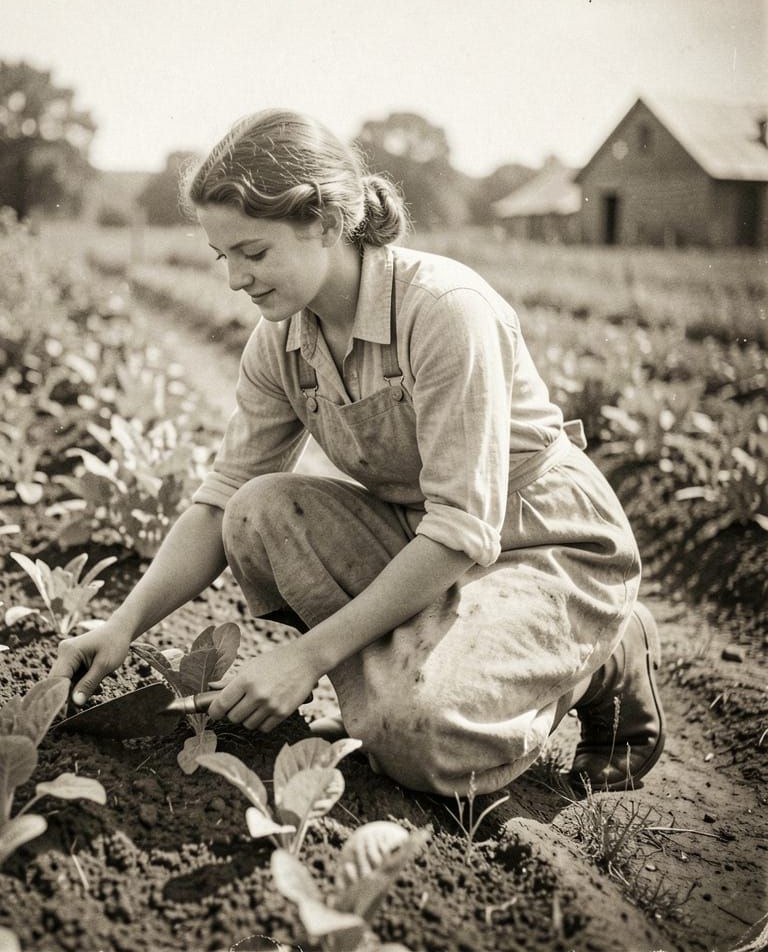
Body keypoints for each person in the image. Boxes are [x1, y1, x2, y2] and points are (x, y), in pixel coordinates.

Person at [49, 109, 664, 796]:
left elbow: (464, 529)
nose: (235, 280)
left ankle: (607, 653)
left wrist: (306, 657)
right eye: (223, 257)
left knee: (419, 737)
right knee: (254, 514)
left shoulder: (444, 310)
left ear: (323, 221)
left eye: (253, 252)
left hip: (541, 544)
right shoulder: (280, 341)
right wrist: (121, 625)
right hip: (420, 538)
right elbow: (222, 496)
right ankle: (411, 677)